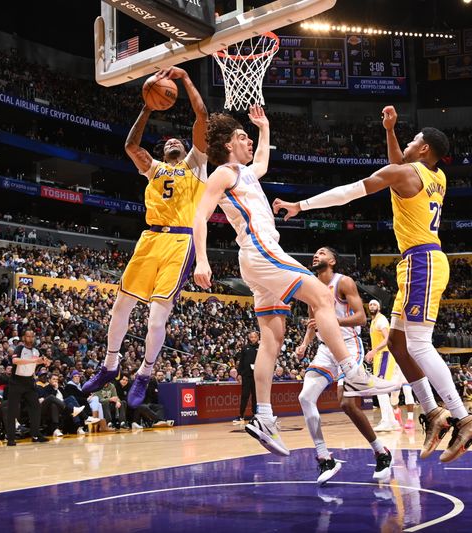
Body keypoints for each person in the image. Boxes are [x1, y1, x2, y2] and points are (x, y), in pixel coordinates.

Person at [272, 105, 472, 463]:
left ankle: (463, 417)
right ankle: (434, 414)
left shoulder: (404, 173)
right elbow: (400, 166)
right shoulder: (435, 176)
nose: (407, 143)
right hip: (421, 261)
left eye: (412, 140)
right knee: (399, 344)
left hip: (422, 261)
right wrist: (390, 132)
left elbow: (349, 193)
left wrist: (301, 205)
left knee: (417, 344)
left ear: (422, 149)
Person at [192, 106, 398, 457]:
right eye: (243, 137)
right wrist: (201, 258)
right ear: (229, 144)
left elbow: (262, 163)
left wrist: (265, 126)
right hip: (260, 251)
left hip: (256, 261)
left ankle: (264, 416)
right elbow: (200, 213)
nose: (249, 141)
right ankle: (352, 370)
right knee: (321, 296)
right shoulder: (223, 174)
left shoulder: (245, 174)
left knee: (272, 337)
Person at [82, 66, 209, 412]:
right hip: (149, 239)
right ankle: (110, 365)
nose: (172, 142)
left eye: (177, 142)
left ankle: (145, 373)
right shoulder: (153, 168)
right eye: (168, 142)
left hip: (181, 242)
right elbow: (130, 145)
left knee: (156, 318)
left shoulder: (196, 165)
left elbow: (201, 115)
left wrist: (183, 80)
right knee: (121, 305)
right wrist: (148, 108)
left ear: (185, 149)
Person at [294, 247, 393, 484]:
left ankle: (381, 451)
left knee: (347, 403)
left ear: (333, 261)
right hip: (325, 349)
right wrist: (304, 344)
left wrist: (330, 321)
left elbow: (360, 317)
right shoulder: (311, 286)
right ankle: (324, 458)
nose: (316, 255)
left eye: (321, 253)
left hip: (348, 345)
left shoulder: (344, 282)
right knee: (305, 398)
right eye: (314, 253)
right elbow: (312, 322)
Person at [366, 299, 416, 432]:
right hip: (380, 357)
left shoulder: (381, 320)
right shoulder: (374, 321)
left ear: (379, 307)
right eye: (370, 304)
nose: (372, 306)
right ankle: (393, 421)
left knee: (380, 388)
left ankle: (387, 421)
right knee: (384, 389)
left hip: (384, 355)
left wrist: (374, 350)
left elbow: (388, 339)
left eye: (374, 304)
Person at [5, 330, 49, 446]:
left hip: (29, 382)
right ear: (24, 337)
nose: (30, 338)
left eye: (32, 336)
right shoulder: (19, 348)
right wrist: (35, 360)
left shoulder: (36, 350)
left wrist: (46, 362)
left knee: (36, 407)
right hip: (16, 382)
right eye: (28, 336)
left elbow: (43, 362)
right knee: (12, 410)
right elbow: (15, 361)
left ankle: (35, 434)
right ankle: (10, 438)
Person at [235, 331, 259, 423]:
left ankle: (255, 414)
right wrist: (239, 374)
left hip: (256, 376)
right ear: (249, 338)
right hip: (246, 376)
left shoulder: (261, 348)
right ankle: (241, 415)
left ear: (257, 338)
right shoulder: (245, 348)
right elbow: (241, 362)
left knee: (255, 396)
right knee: (245, 395)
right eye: (251, 337)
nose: (253, 339)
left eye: (255, 337)